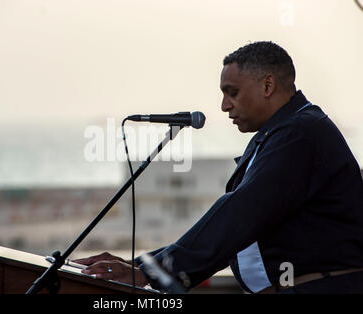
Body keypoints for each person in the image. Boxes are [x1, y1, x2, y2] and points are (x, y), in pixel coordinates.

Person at [74, 41, 363, 294]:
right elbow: (234, 227)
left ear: (267, 85)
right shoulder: (283, 132)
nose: (224, 105)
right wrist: (140, 265)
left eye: (232, 92)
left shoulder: (299, 133)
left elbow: (241, 214)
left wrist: (152, 272)